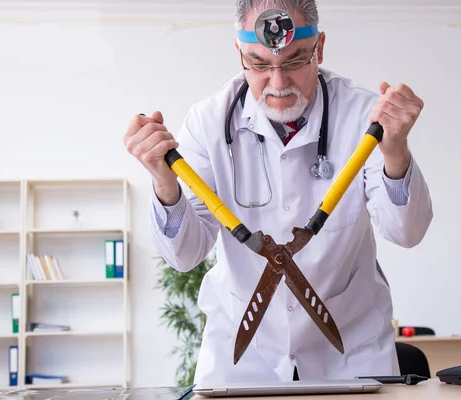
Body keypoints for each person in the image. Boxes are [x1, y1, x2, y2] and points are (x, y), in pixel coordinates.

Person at [123, 0, 433, 386]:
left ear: (319, 47)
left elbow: (407, 232)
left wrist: (395, 151)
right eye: (260, 64)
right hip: (241, 355)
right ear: (239, 53)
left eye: (295, 60)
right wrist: (163, 181)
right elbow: (185, 255)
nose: (279, 83)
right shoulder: (207, 122)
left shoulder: (365, 116)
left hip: (352, 349)